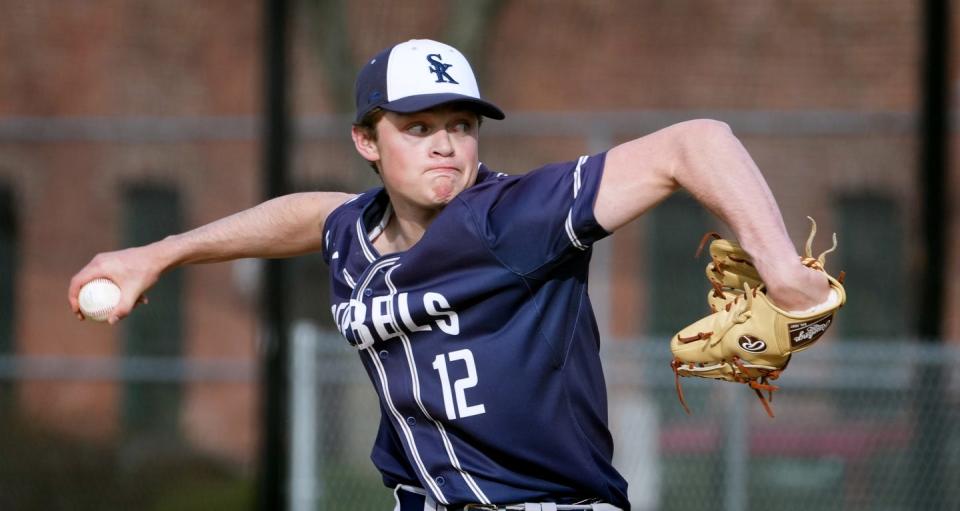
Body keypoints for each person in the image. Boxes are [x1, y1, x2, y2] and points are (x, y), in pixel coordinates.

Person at [69, 39, 830, 511]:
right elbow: (308, 216)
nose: (446, 145)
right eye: (419, 127)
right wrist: (157, 253)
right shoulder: (355, 234)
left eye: (461, 126)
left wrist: (780, 269)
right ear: (367, 140)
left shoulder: (513, 219)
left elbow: (695, 142)